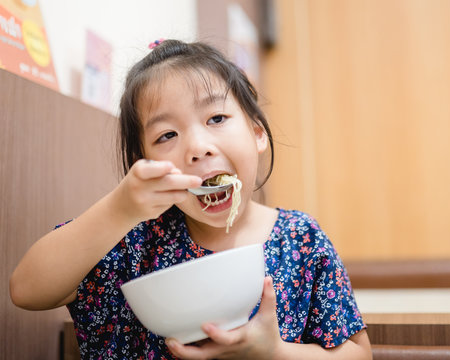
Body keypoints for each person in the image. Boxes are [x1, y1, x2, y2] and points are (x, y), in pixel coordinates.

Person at [10, 39, 372, 360]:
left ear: (258, 133)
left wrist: (272, 352)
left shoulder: (301, 237)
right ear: (145, 164)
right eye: (167, 134)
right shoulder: (133, 240)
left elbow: (357, 354)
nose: (197, 148)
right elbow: (26, 291)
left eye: (216, 117)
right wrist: (120, 209)